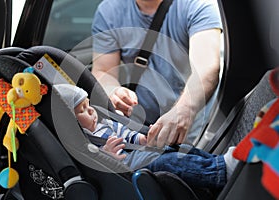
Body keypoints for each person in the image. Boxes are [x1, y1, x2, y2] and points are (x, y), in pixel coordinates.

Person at [53, 84, 238, 189]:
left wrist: (142, 139)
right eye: (83, 110)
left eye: (88, 104)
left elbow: (125, 134)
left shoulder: (104, 124)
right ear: (72, 122)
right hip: (129, 165)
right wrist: (107, 155)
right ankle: (220, 172)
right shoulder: (84, 142)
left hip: (141, 151)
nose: (91, 110)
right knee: (169, 162)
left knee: (179, 148)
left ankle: (218, 161)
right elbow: (96, 164)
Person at [91, 0, 223, 147]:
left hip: (192, 125)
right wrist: (113, 91)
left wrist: (184, 110)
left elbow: (206, 68)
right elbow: (103, 70)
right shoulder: (109, 11)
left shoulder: (197, 5)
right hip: (141, 124)